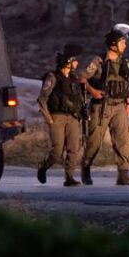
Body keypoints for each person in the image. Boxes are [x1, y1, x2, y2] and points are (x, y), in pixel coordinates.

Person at [79, 25, 129, 186]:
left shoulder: (124, 62)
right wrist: (93, 91)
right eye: (122, 42)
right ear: (113, 45)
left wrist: (128, 103)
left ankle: (123, 175)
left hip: (119, 106)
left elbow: (126, 84)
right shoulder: (99, 61)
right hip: (101, 106)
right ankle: (86, 168)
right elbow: (82, 78)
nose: (125, 45)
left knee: (123, 141)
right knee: (94, 141)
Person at [36, 45, 85, 187]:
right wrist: (48, 118)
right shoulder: (52, 77)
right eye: (74, 60)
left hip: (73, 118)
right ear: (68, 61)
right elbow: (42, 98)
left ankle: (69, 178)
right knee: (57, 151)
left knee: (73, 149)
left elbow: (79, 99)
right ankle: (44, 167)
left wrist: (82, 113)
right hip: (57, 117)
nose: (77, 63)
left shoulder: (74, 78)